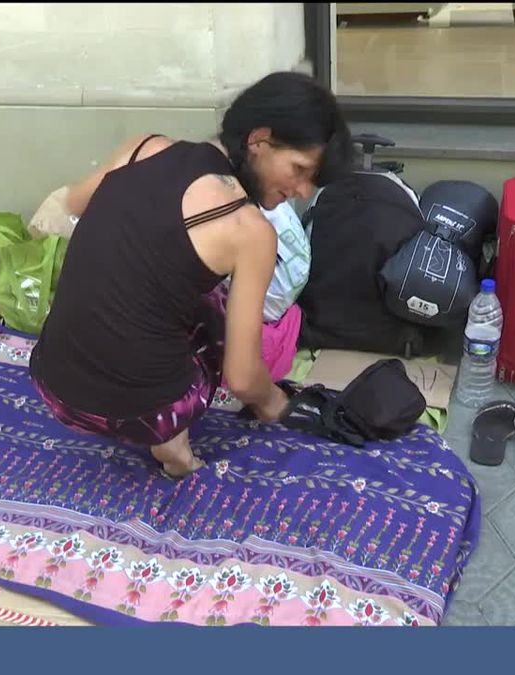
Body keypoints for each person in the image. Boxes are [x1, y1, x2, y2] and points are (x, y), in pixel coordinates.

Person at [29, 71, 352, 479]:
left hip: (52, 382)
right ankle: (172, 442)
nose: (304, 191)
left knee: (164, 272)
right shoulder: (249, 230)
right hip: (137, 416)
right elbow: (242, 378)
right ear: (258, 140)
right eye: (300, 169)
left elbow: (69, 205)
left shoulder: (142, 148)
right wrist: (282, 407)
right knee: (216, 307)